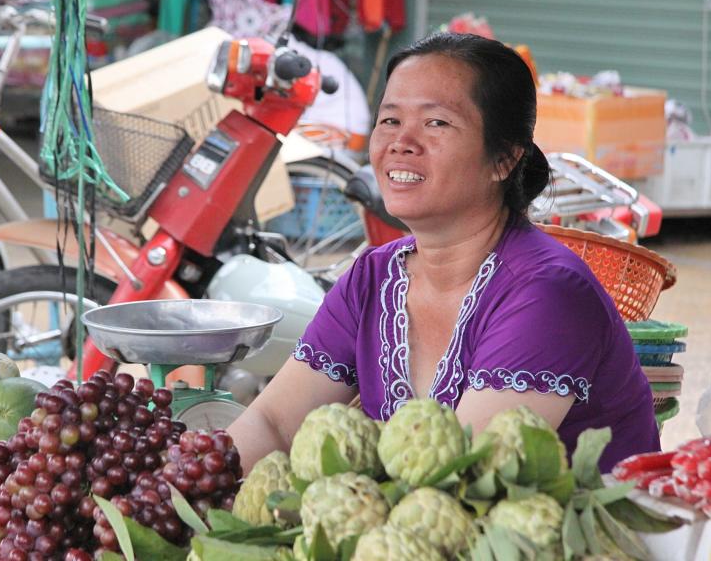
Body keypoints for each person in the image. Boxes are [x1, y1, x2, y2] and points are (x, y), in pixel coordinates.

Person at [227, 31, 659, 474]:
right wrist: (187, 485)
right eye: (390, 120)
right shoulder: (372, 278)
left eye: (437, 123)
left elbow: (465, 476)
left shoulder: (548, 292)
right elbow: (275, 423)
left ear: (504, 160)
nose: (402, 141)